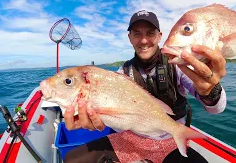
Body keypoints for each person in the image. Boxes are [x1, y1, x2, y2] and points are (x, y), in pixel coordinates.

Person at [64, 10, 227, 163]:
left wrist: (210, 91)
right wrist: (95, 119)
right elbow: (117, 118)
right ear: (130, 38)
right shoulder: (122, 73)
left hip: (170, 138)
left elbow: (216, 109)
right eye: (137, 34)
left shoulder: (177, 65)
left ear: (159, 36)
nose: (143, 40)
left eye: (150, 33)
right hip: (133, 137)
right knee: (71, 159)